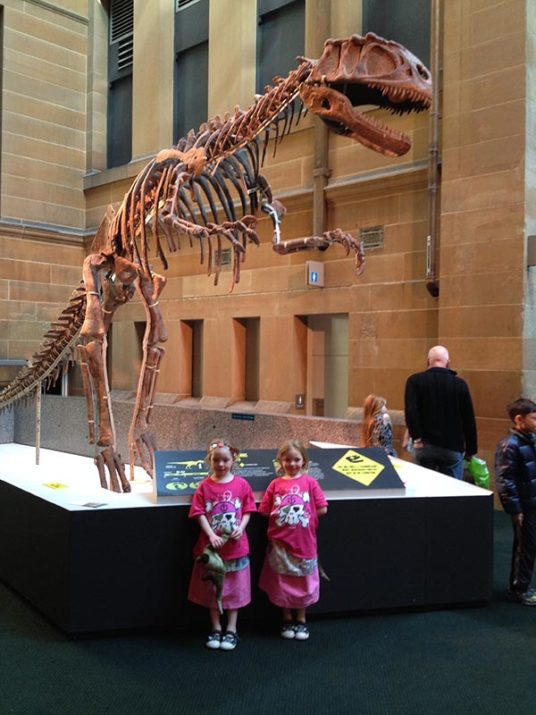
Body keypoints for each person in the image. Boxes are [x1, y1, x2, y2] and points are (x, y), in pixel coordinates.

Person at [188, 438, 256, 650]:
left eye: (225, 460)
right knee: (212, 589)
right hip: (213, 551)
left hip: (235, 549)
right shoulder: (204, 486)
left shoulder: (242, 484)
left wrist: (241, 528)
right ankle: (216, 627)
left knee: (234, 589)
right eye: (216, 460)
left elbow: (248, 509)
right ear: (210, 461)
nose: (221, 464)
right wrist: (210, 535)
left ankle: (232, 629)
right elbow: (198, 512)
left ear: (233, 460)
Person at [258, 440, 328, 640]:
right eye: (287, 459)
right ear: (280, 461)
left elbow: (322, 508)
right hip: (280, 544)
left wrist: (306, 518)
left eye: (296, 459)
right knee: (283, 579)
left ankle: (301, 618)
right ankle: (287, 617)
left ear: (304, 461)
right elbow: (264, 510)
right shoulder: (275, 484)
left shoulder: (310, 483)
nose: (292, 464)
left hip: (304, 543)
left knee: (303, 580)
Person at [404, 345, 477, 479]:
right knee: (452, 488)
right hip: (452, 446)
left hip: (424, 445)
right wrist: (471, 449)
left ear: (428, 361)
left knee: (422, 485)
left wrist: (417, 437)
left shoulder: (414, 381)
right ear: (448, 363)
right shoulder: (460, 384)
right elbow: (468, 418)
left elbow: (411, 411)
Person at [495, 398, 536, 606]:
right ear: (519, 419)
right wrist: (515, 509)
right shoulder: (509, 445)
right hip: (524, 506)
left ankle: (522, 585)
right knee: (525, 546)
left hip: (533, 501)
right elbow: (505, 480)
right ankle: (518, 588)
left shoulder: (530, 440)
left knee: (530, 544)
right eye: (534, 418)